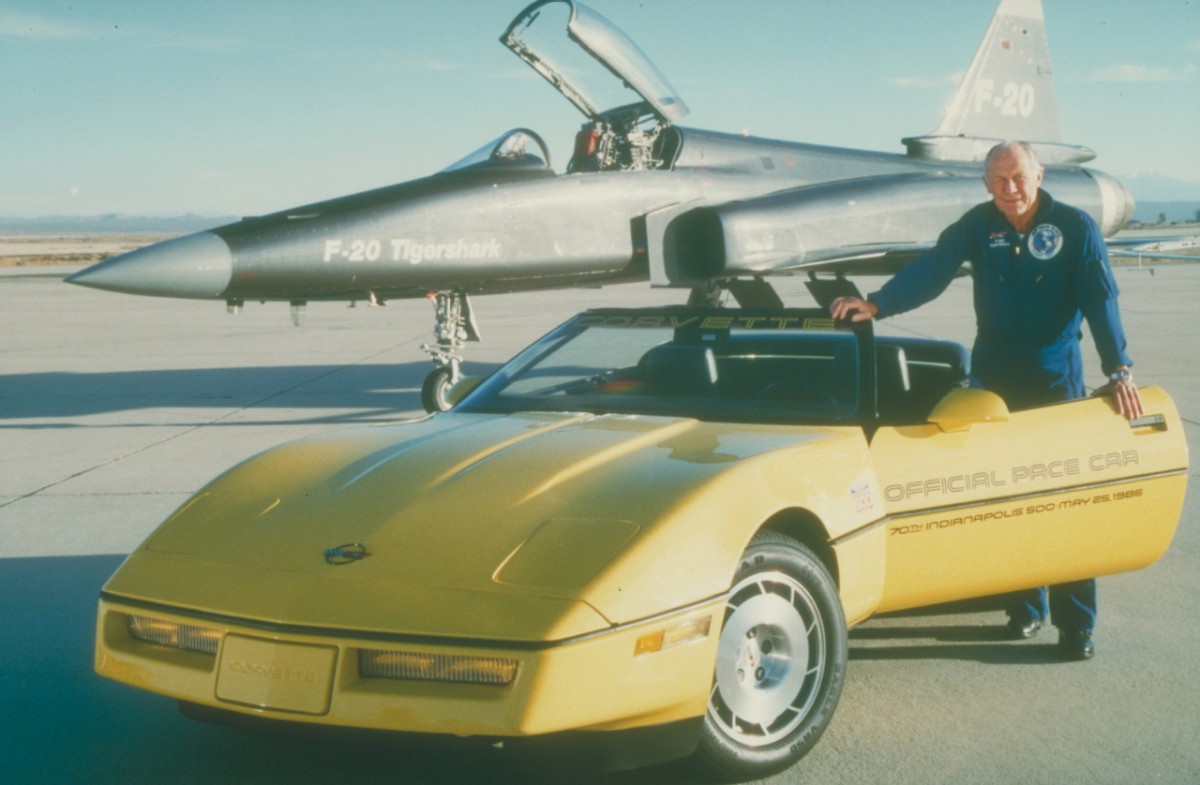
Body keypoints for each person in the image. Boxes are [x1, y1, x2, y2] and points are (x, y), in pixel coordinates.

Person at [830, 140, 1144, 661]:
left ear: (1039, 175)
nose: (1010, 188)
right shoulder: (979, 225)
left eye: (1018, 176)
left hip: (1054, 382)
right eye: (998, 180)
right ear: (985, 185)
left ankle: (1075, 624)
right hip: (995, 381)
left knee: (1064, 503)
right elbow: (932, 269)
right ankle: (1025, 607)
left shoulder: (1075, 227)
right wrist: (877, 303)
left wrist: (1120, 369)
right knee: (1009, 500)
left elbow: (1100, 299)